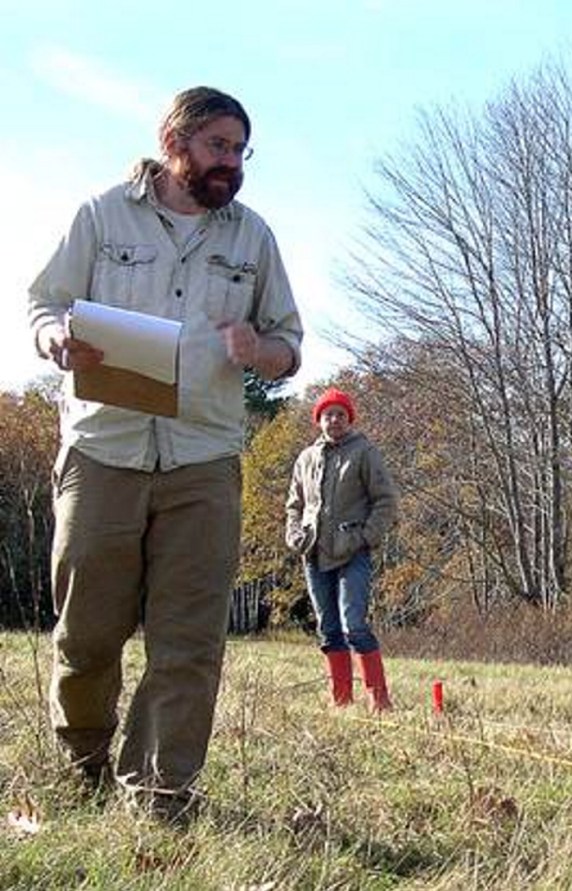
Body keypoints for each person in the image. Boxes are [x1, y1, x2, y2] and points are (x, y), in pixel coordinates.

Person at [27, 86, 303, 821]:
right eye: (219, 145)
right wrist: (56, 338)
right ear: (172, 139)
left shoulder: (253, 238)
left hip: (204, 458)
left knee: (189, 640)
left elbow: (290, 345)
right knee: (88, 633)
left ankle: (158, 789)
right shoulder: (100, 215)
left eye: (241, 150)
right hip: (102, 450)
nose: (232, 163)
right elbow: (43, 303)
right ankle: (81, 761)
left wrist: (261, 351)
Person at [285, 387, 398, 712]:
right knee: (328, 629)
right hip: (314, 554)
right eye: (327, 414)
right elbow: (293, 505)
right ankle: (342, 703)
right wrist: (294, 535)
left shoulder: (364, 452)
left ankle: (380, 702)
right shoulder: (306, 457)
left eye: (340, 414)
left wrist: (366, 536)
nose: (334, 420)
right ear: (318, 420)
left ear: (349, 419)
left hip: (353, 553)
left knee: (354, 626)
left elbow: (386, 501)